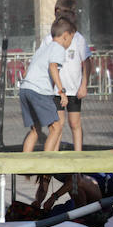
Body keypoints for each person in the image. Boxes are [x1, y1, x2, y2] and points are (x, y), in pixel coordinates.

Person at [40, 0, 92, 150]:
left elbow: (87, 62)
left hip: (74, 88)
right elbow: (45, 63)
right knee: (58, 125)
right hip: (56, 91)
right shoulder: (49, 38)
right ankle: (54, 160)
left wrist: (84, 85)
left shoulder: (78, 38)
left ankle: (78, 159)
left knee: (75, 123)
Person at [19, 16, 75, 152]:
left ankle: (25, 170)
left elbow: (26, 73)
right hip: (39, 91)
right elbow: (53, 66)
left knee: (35, 130)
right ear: (66, 36)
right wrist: (62, 92)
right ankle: (46, 169)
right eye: (72, 39)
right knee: (56, 127)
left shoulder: (43, 49)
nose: (70, 43)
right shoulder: (59, 48)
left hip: (25, 89)